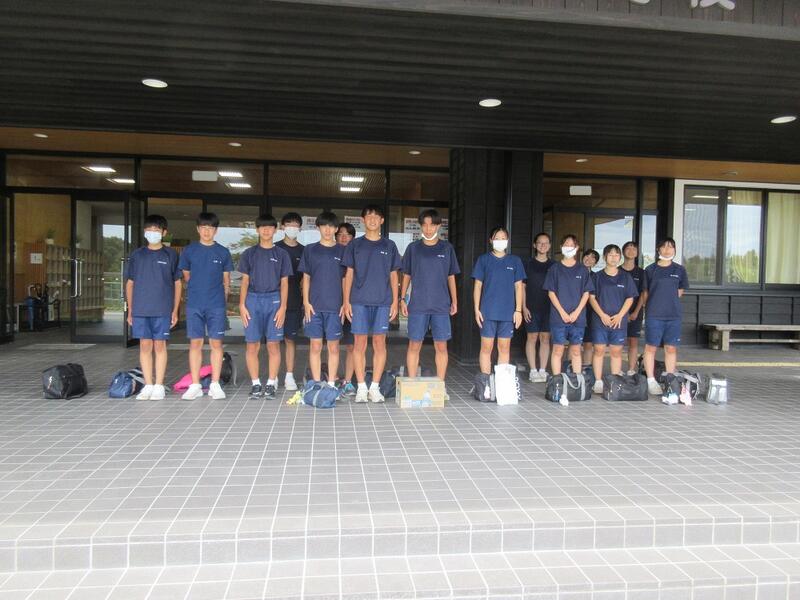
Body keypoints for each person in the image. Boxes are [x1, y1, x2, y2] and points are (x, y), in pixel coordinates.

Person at [342, 205, 401, 403]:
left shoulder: (389, 245)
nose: (373, 219)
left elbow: (394, 275)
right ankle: (361, 387)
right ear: (363, 220)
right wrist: (346, 301)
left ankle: (374, 387)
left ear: (382, 221)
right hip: (359, 301)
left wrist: (395, 301)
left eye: (377, 216)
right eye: (369, 216)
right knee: (359, 343)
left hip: (383, 301)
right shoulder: (355, 245)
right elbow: (349, 274)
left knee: (379, 343)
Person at [124, 214, 182, 400]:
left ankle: (159, 385)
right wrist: (130, 309)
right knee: (144, 345)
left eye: (156, 230)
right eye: (149, 230)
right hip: (141, 309)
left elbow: (177, 283)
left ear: (164, 233)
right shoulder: (137, 255)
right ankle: (148, 384)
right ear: (144, 232)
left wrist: (175, 310)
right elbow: (130, 283)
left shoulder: (171, 254)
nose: (152, 233)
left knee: (160, 345)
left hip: (162, 308)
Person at [177, 212, 234, 400]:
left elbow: (226, 280)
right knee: (196, 343)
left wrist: (222, 300)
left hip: (216, 304)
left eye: (210, 228)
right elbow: (187, 275)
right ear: (198, 229)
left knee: (216, 343)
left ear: (215, 230)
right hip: (195, 303)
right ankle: (195, 384)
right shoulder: (189, 251)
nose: (207, 231)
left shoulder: (223, 252)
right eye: (203, 227)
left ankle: (215, 384)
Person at [400, 209, 460, 384]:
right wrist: (402, 299)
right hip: (418, 304)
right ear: (420, 226)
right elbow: (406, 275)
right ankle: (412, 383)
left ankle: (440, 384)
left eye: (432, 225)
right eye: (424, 225)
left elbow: (451, 276)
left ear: (438, 226)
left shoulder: (447, 248)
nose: (428, 229)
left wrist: (454, 301)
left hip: (441, 305)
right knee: (414, 344)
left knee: (441, 346)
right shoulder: (413, 248)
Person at [238, 214, 292, 400]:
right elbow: (245, 281)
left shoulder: (282, 254)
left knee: (273, 344)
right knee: (252, 344)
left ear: (275, 230)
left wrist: (283, 307)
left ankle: (270, 383)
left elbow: (284, 283)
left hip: (274, 300)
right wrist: (242, 305)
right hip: (252, 299)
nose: (266, 230)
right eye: (262, 227)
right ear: (257, 229)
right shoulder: (249, 253)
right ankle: (255, 384)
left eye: (270, 227)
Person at [544, 234, 594, 405]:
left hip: (577, 318)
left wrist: (576, 312)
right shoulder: (555, 269)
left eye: (571, 245)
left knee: (576, 350)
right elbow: (551, 292)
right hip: (558, 317)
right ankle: (557, 383)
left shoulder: (582, 270)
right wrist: (563, 312)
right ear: (561, 247)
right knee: (558, 350)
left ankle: (577, 384)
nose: (568, 247)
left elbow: (586, 293)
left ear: (577, 248)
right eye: (566, 244)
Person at [299, 211, 345, 387]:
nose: (327, 229)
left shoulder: (342, 250)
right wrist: (306, 302)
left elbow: (345, 279)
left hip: (335, 307)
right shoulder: (310, 249)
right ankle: (316, 384)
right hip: (314, 307)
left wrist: (345, 303)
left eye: (331, 226)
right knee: (315, 346)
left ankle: (331, 384)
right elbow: (306, 278)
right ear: (318, 227)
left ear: (336, 229)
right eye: (324, 225)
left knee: (334, 347)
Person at [472, 227, 525, 376]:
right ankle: (486, 381)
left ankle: (501, 383)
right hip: (487, 312)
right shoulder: (483, 260)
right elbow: (478, 285)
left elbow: (519, 286)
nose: (500, 241)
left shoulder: (515, 261)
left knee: (504, 348)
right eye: (497, 238)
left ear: (507, 241)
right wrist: (476, 309)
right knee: (486, 347)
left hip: (507, 313)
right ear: (491, 240)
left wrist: (518, 310)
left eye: (503, 238)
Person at [643, 237, 689, 403]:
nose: (668, 250)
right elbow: (645, 293)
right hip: (654, 314)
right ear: (658, 249)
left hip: (673, 315)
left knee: (671, 348)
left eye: (671, 247)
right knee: (651, 347)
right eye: (664, 247)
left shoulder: (679, 269)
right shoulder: (650, 269)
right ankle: (651, 379)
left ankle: (670, 379)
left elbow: (680, 291)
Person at [588, 244, 638, 393]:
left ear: (620, 257)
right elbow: (591, 298)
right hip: (600, 320)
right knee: (599, 350)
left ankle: (615, 382)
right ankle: (598, 381)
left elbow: (630, 298)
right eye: (610, 255)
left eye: (616, 255)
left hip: (619, 321)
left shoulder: (625, 277)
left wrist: (620, 315)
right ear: (605, 257)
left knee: (616, 351)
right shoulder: (597, 277)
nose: (614, 258)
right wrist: (602, 314)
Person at [275, 212, 304, 392]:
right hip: (273, 298)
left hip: (294, 299)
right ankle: (273, 377)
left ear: (300, 228)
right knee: (273, 340)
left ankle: (289, 375)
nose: (292, 228)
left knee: (290, 339)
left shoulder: (304, 251)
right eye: (289, 224)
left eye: (295, 225)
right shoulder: (275, 248)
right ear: (282, 227)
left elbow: (306, 279)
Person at [523, 232, 555, 383]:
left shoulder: (554, 266)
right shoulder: (527, 264)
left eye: (546, 243)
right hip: (531, 306)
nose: (543, 245)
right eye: (540, 243)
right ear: (534, 245)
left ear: (549, 246)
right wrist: (523, 307)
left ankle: (542, 370)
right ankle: (533, 370)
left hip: (549, 307)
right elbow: (522, 287)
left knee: (545, 338)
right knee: (532, 337)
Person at [336, 222, 357, 396]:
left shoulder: (357, 253)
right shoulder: (329, 252)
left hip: (352, 306)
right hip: (332, 305)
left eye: (348, 234)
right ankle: (333, 378)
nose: (344, 237)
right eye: (341, 234)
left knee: (352, 345)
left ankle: (348, 381)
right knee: (332, 344)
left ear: (353, 238)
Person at [621, 241, 648, 375]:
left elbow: (643, 293)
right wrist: (622, 314)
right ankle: (617, 370)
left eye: (634, 249)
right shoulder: (617, 271)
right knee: (617, 343)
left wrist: (636, 312)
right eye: (628, 248)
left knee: (633, 342)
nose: (631, 251)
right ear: (623, 252)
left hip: (635, 313)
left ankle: (631, 370)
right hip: (618, 314)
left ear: (637, 253)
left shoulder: (641, 273)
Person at [581, 249, 600, 365]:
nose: (589, 259)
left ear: (595, 263)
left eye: (593, 258)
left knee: (588, 343)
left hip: (590, 312)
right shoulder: (574, 272)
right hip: (574, 311)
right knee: (574, 343)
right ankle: (570, 368)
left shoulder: (596, 277)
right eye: (587, 256)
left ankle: (586, 367)